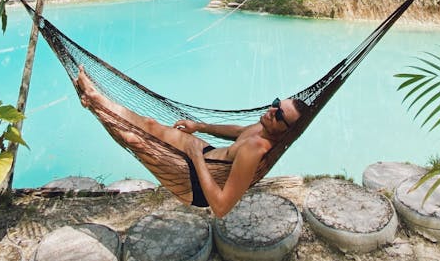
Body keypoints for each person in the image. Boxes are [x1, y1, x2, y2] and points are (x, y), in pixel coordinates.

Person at [74, 66, 306, 217]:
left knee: (134, 140)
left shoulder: (255, 151)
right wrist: (201, 127)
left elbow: (222, 208)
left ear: (286, 131)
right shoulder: (263, 124)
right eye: (276, 103)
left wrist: (196, 159)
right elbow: (239, 131)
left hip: (195, 181)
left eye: (279, 114)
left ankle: (94, 105)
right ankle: (97, 99)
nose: (272, 110)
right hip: (206, 157)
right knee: (150, 124)